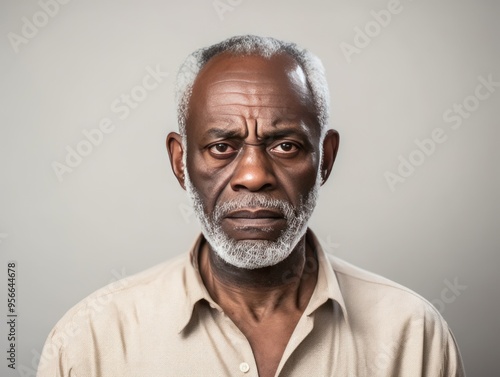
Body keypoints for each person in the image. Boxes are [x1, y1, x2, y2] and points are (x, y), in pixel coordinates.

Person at [38, 35, 465, 377]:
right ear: (180, 162)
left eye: (285, 145)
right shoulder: (88, 344)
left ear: (325, 159)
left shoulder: (413, 336)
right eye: (222, 146)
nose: (253, 175)